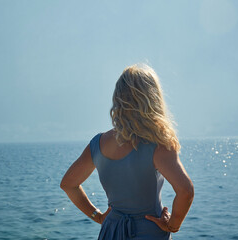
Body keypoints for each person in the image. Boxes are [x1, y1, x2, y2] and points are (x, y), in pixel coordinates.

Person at [60, 64, 194, 239]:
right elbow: (185, 191)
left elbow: (68, 184)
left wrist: (98, 216)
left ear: (118, 98)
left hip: (111, 231)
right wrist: (172, 225)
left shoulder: (98, 143)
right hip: (148, 232)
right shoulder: (159, 145)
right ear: (153, 99)